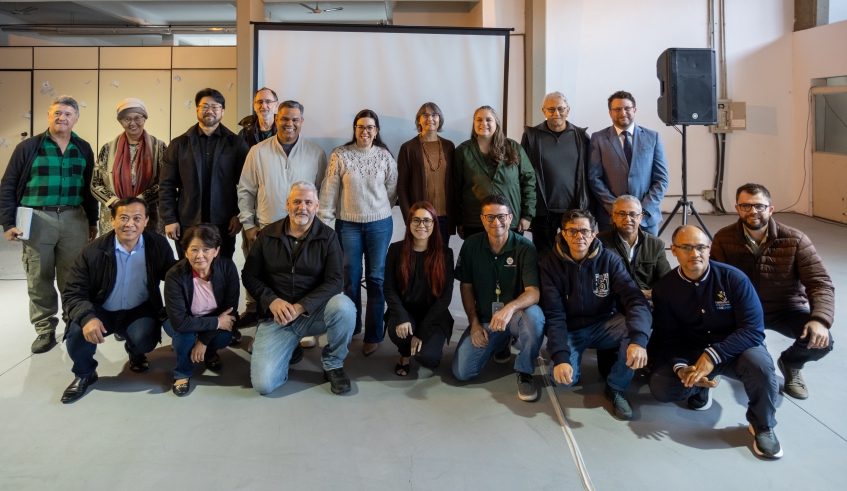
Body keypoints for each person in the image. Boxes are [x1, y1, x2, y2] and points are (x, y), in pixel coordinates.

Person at [649, 225, 782, 459]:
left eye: (701, 247)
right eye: (686, 248)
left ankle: (762, 425)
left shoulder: (734, 279)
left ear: (709, 249)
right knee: (662, 388)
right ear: (673, 250)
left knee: (760, 367)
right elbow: (668, 336)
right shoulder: (664, 289)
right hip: (692, 349)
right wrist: (681, 368)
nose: (695, 254)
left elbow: (752, 330)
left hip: (735, 347)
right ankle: (701, 384)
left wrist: (712, 355)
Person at [711, 183, 834, 400]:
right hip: (742, 310)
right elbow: (714, 281)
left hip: (785, 308)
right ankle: (720, 365)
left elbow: (820, 282)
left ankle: (791, 363)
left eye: (759, 206)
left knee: (822, 342)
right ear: (738, 208)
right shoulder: (724, 238)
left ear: (770, 209)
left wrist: (820, 319)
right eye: (746, 206)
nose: (753, 212)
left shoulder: (795, 240)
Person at [0, 95, 99, 354]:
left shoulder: (84, 148)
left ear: (76, 118)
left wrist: (92, 220)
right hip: (37, 218)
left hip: (74, 217)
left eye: (67, 114)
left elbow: (89, 188)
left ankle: (72, 322)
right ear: (48, 116)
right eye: (57, 113)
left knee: (73, 276)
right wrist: (8, 222)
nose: (62, 118)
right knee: (39, 275)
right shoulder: (29, 147)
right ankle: (44, 328)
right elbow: (8, 185)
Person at [244, 181, 356, 395]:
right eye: (296, 201)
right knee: (264, 384)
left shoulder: (328, 237)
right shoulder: (267, 235)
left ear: (316, 206)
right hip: (277, 317)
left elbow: (335, 281)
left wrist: (301, 306)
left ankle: (333, 364)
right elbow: (249, 276)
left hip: (313, 314)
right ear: (287, 204)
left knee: (344, 307)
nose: (302, 207)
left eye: (308, 202)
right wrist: (272, 301)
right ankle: (290, 347)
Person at [60, 197, 177, 403]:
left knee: (146, 339)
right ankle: (85, 373)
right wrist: (87, 317)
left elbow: (173, 274)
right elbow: (72, 291)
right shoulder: (92, 252)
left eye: (136, 218)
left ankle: (135, 351)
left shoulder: (156, 244)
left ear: (146, 221)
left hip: (138, 308)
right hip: (101, 309)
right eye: (123, 217)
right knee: (78, 333)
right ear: (112, 220)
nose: (129, 224)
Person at [541, 209, 652, 420]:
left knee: (634, 329)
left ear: (593, 233)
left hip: (603, 324)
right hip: (570, 329)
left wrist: (638, 340)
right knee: (564, 381)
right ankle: (569, 360)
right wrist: (561, 357)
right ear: (563, 233)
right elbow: (554, 314)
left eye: (584, 231)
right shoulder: (550, 264)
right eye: (572, 231)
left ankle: (617, 386)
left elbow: (635, 299)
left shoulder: (610, 260)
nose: (578, 236)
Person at [237, 100, 328, 343]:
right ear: (276, 120)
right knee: (268, 280)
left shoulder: (316, 153)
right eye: (284, 119)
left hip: (305, 230)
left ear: (302, 122)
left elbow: (323, 193)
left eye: (295, 119)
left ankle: (303, 329)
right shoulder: (258, 152)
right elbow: (245, 190)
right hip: (267, 229)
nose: (289, 124)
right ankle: (270, 326)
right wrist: (248, 225)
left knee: (303, 278)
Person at [319, 109, 397, 356]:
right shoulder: (340, 155)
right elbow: (329, 191)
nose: (365, 131)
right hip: (348, 225)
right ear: (355, 129)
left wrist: (377, 209)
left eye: (370, 127)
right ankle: (352, 328)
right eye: (361, 127)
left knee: (376, 279)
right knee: (350, 278)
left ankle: (373, 335)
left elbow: (392, 190)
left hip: (379, 225)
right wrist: (325, 223)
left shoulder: (385, 156)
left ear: (376, 131)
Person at [452, 195, 545, 402]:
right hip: (486, 319)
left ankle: (524, 371)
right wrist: (474, 323)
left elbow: (534, 292)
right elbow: (465, 286)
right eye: (490, 217)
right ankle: (501, 342)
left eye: (501, 216)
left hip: (515, 316)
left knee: (535, 319)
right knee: (462, 371)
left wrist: (509, 308)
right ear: (482, 219)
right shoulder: (471, 245)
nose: (496, 222)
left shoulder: (525, 248)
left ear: (510, 218)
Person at [159, 87, 249, 260]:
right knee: (189, 269)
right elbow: (166, 185)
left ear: (222, 111)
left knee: (221, 269)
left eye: (215, 107)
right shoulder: (179, 144)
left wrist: (239, 215)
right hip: (187, 221)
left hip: (224, 222)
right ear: (197, 110)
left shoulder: (236, 144)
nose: (210, 111)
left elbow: (246, 185)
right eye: (205, 106)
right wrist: (170, 219)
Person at [595, 194, 673, 377]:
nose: (627, 219)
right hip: (612, 306)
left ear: (641, 217)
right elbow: (596, 282)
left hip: (645, 305)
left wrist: (648, 295)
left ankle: (654, 354)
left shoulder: (656, 244)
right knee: (606, 372)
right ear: (613, 217)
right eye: (621, 214)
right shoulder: (599, 243)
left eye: (632, 214)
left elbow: (667, 283)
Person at [162, 224, 240, 396]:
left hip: (213, 321)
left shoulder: (227, 268)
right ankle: (183, 372)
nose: (200, 255)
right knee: (185, 336)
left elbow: (230, 309)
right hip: (183, 321)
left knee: (224, 337)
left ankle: (209, 353)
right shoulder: (174, 275)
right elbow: (180, 322)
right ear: (185, 252)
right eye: (194, 249)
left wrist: (203, 341)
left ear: (216, 251)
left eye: (206, 249)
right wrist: (217, 322)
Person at [385, 201, 454, 376]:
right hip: (406, 312)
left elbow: (445, 298)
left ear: (434, 225)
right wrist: (400, 316)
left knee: (428, 358)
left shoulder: (446, 254)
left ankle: (424, 348)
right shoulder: (395, 250)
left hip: (434, 316)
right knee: (399, 330)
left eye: (427, 221)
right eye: (416, 220)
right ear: (409, 224)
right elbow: (389, 288)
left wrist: (422, 332)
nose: (421, 225)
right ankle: (405, 354)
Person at [521, 92, 592, 258]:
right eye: (551, 109)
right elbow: (523, 174)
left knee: (574, 256)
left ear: (568, 110)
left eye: (561, 109)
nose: (556, 114)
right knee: (544, 258)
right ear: (543, 111)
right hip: (542, 212)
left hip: (575, 210)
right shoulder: (531, 136)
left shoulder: (581, 137)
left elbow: (591, 174)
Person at [587, 91, 669, 235]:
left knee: (646, 257)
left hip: (646, 218)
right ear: (610, 113)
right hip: (611, 217)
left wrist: (641, 210)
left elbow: (661, 179)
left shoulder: (653, 137)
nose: (622, 112)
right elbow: (594, 178)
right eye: (617, 109)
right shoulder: (598, 139)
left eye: (627, 108)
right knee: (612, 257)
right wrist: (617, 209)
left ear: (634, 110)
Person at [453, 106, 536, 239]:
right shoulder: (463, 151)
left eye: (488, 120)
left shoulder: (514, 148)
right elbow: (455, 188)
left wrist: (527, 215)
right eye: (479, 120)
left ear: (496, 123)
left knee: (510, 259)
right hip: (475, 222)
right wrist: (458, 221)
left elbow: (529, 182)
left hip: (510, 220)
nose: (483, 123)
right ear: (474, 123)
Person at [91, 98, 167, 236]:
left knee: (150, 254)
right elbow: (96, 183)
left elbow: (164, 181)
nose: (132, 123)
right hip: (115, 214)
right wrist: (117, 204)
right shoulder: (107, 149)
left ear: (144, 119)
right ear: (120, 122)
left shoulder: (159, 147)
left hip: (149, 214)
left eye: (137, 118)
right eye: (127, 119)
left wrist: (138, 202)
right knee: (114, 254)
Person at [397, 102, 457, 247]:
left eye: (434, 115)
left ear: (440, 119)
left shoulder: (449, 146)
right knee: (420, 260)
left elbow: (455, 182)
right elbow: (402, 186)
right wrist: (410, 218)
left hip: (444, 217)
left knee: (441, 260)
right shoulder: (408, 148)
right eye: (425, 115)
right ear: (419, 120)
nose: (430, 118)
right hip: (420, 218)